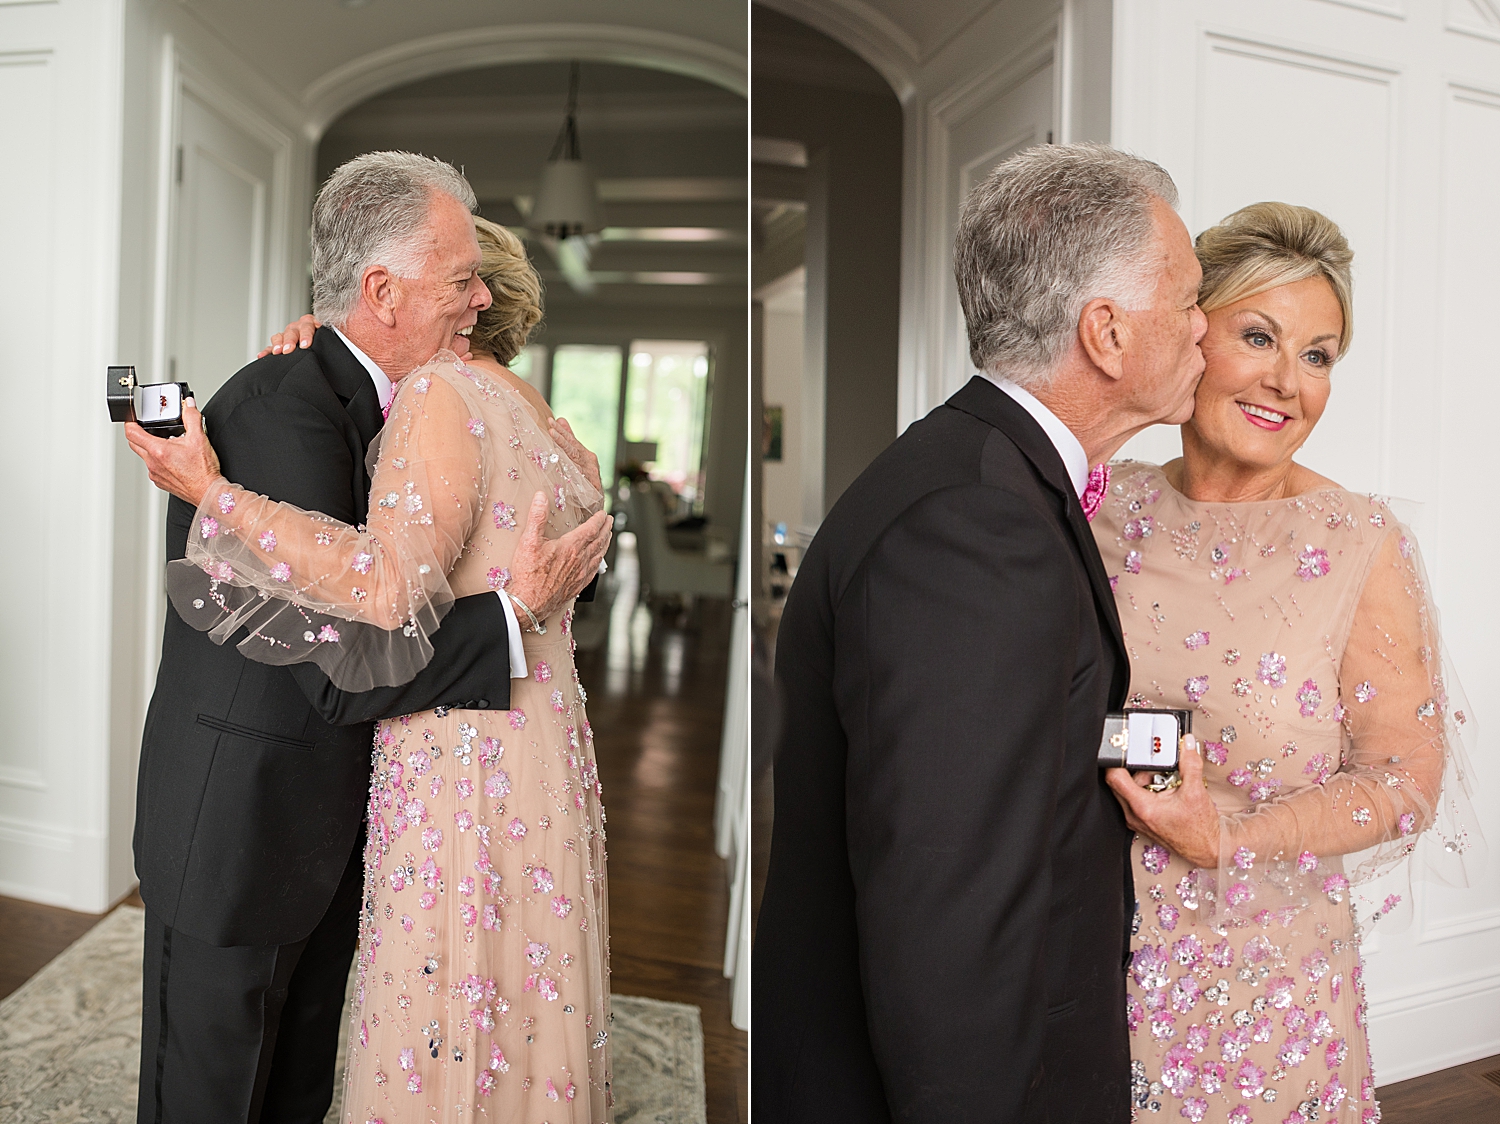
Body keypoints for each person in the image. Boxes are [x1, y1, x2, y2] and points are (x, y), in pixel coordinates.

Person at [125, 151, 611, 1124]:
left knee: (301, 1078)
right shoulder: (276, 409)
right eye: (459, 276)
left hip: (330, 822)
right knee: (209, 1092)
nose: (477, 297)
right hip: (242, 830)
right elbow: (342, 662)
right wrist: (514, 620)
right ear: (381, 289)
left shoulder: (399, 395)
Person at [754, 143, 1208, 1122]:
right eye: (1189, 300)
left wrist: (1152, 745)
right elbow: (947, 927)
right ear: (1109, 333)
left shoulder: (982, 478)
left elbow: (1009, 737)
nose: (1203, 327)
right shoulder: (975, 527)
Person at [1093, 202, 1479, 1123]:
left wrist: (1224, 839)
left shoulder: (1358, 541)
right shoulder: (1100, 508)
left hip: (1266, 989)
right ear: (1193, 339)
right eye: (1259, 336)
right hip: (1087, 958)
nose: (1288, 381)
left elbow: (1405, 782)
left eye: (1318, 355)